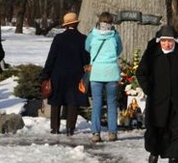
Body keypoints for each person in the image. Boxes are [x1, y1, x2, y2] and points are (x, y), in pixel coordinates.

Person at [136, 25, 178, 163]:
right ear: (159, 41)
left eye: (170, 41)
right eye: (164, 40)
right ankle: (154, 153)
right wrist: (149, 90)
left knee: (177, 131)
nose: (167, 44)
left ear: (175, 41)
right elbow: (141, 73)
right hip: (158, 101)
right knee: (157, 129)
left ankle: (174, 158)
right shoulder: (152, 53)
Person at [40, 12, 90, 136]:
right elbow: (86, 59)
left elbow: (51, 57)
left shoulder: (58, 38)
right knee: (73, 101)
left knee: (56, 101)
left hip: (58, 74)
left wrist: (46, 74)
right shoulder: (83, 39)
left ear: (66, 25)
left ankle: (55, 128)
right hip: (76, 75)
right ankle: (70, 129)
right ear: (76, 24)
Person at [85, 11, 123, 142]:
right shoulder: (115, 36)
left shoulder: (92, 35)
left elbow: (87, 48)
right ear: (111, 22)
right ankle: (112, 132)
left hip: (96, 72)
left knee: (96, 103)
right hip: (111, 71)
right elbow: (119, 50)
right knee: (112, 103)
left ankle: (96, 133)